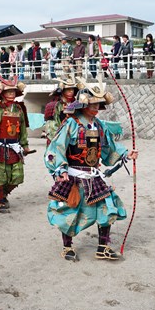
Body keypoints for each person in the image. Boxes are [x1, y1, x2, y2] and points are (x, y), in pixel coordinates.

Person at [44, 81, 139, 261]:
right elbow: (56, 148)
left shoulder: (99, 125)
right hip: (74, 176)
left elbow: (109, 147)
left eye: (98, 104)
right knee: (69, 211)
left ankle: (102, 247)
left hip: (93, 175)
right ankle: (67, 247)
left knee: (107, 207)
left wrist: (126, 154)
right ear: (84, 104)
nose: (96, 107)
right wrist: (60, 168)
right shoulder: (71, 124)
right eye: (93, 103)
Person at [0, 74, 32, 213]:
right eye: (8, 91)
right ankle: (0, 202)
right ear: (2, 93)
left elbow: (22, 129)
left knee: (17, 176)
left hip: (15, 147)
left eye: (13, 92)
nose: (11, 94)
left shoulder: (19, 108)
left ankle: (3, 195)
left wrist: (25, 145)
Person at [44, 75, 82, 145]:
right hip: (59, 140)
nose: (71, 91)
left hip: (76, 139)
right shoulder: (53, 106)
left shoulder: (78, 105)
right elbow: (51, 127)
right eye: (68, 89)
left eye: (72, 89)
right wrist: (59, 141)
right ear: (62, 91)